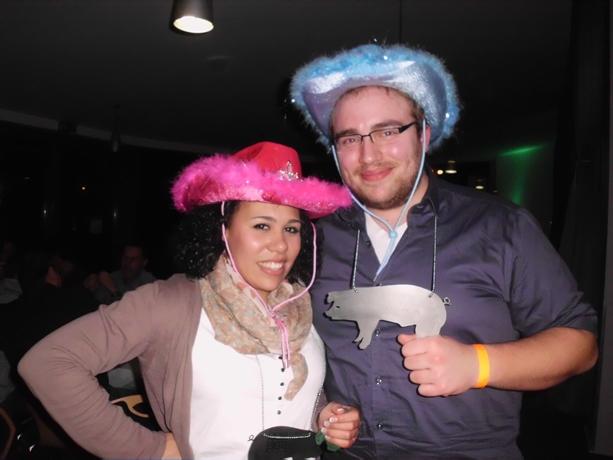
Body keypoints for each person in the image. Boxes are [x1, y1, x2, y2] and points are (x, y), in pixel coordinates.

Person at [290, 44, 598, 459]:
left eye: (388, 131)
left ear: (424, 134)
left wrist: (478, 365)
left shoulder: (501, 226)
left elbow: (580, 344)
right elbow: (295, 349)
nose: (368, 154)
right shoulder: (313, 238)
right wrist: (323, 408)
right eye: (349, 138)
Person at [18, 141, 359, 460]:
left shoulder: (299, 305)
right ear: (223, 230)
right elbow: (49, 363)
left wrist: (324, 415)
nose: (280, 245)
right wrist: (149, 449)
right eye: (261, 225)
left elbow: (282, 394)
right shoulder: (171, 303)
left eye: (291, 229)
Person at [86, 242, 156, 306]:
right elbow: (102, 301)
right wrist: (93, 287)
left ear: (144, 262)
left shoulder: (149, 284)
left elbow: (129, 310)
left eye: (133, 259)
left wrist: (113, 290)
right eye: (125, 258)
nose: (127, 263)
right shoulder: (116, 275)